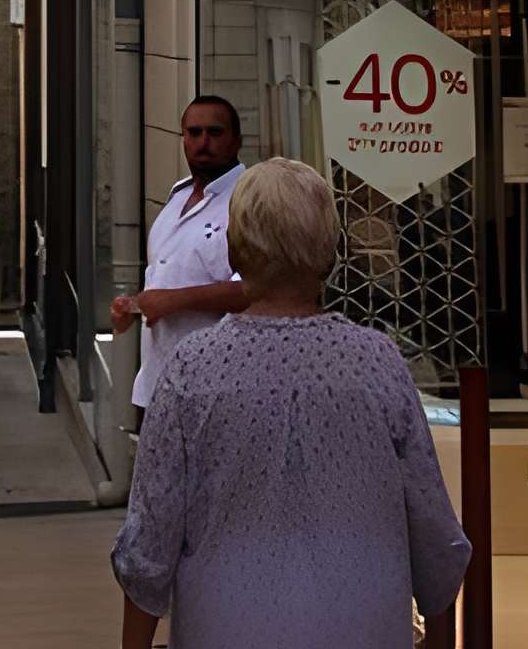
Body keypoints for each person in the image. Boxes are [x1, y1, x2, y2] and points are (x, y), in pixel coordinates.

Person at [112, 157, 470, 649]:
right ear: (329, 252)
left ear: (235, 253)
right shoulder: (378, 364)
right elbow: (434, 536)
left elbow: (148, 544)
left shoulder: (192, 370)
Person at [112, 95, 247, 416]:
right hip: (159, 385)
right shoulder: (178, 195)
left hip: (216, 390)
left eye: (214, 133)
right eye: (194, 132)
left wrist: (173, 301)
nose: (203, 142)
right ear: (183, 139)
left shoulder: (248, 200)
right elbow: (166, 276)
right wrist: (132, 306)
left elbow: (256, 290)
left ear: (235, 141)